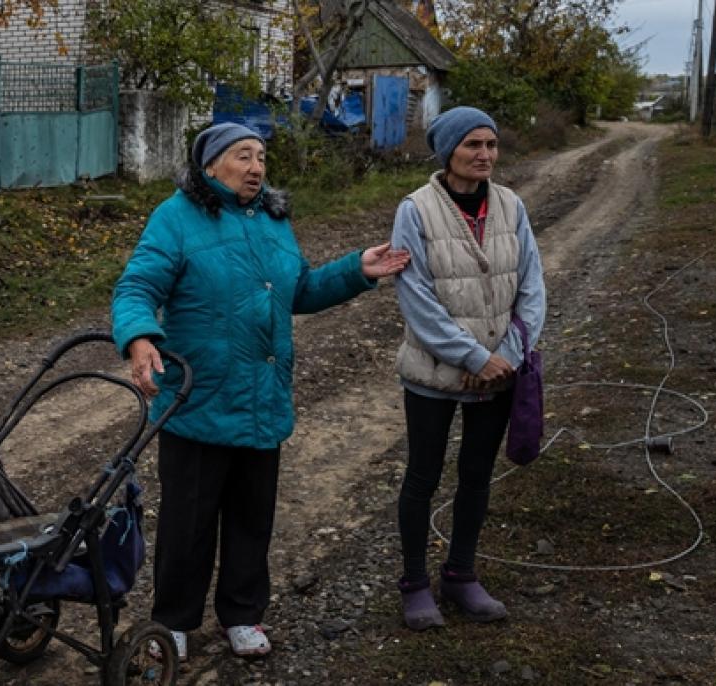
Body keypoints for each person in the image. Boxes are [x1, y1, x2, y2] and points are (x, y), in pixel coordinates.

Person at [111, 122, 409, 659]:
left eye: (262, 157)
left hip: (262, 399)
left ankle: (243, 615)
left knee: (252, 518)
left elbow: (299, 290)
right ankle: (174, 621)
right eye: (243, 156)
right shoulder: (176, 217)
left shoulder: (274, 219)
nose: (256, 167)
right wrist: (138, 339)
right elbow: (137, 286)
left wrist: (356, 270)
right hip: (199, 398)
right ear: (210, 166)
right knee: (188, 522)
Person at [389, 106, 545, 630]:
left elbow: (532, 286)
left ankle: (460, 574)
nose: (484, 155)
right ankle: (414, 584)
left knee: (476, 476)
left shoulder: (511, 206)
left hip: (499, 373)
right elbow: (415, 297)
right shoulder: (415, 210)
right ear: (448, 150)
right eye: (472, 145)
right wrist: (473, 356)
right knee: (422, 477)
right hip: (434, 374)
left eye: (491, 145)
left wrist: (509, 354)